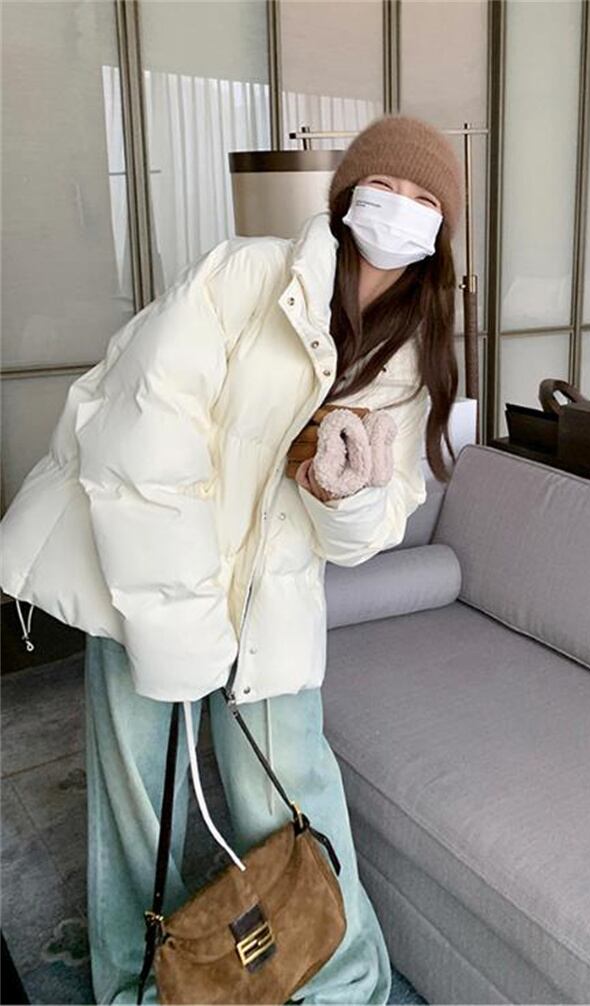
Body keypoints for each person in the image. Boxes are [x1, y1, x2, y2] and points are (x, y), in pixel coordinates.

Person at [0, 114, 463, 1004]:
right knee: (140, 803)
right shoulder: (246, 275)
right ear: (348, 195)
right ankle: (139, 983)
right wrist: (180, 625)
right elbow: (142, 440)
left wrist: (343, 493)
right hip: (140, 576)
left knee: (290, 792)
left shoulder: (412, 363)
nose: (399, 208)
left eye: (423, 198)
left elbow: (363, 537)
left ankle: (343, 982)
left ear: (441, 230)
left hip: (271, 600)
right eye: (384, 186)